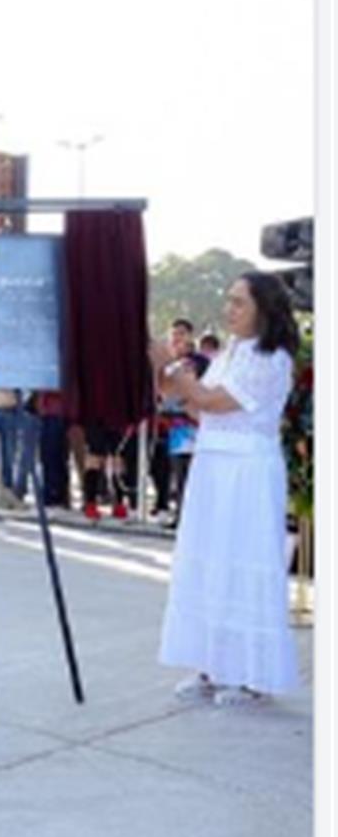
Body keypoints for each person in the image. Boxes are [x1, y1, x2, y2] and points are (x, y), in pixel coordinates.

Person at [155, 272, 303, 706]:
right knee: (210, 560)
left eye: (239, 302)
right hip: (214, 464)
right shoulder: (231, 352)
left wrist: (176, 374)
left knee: (244, 560)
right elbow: (201, 410)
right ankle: (211, 664)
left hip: (249, 473)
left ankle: (250, 674)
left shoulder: (271, 358)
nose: (230, 310)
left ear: (264, 309)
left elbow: (213, 400)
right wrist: (165, 374)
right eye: (230, 301)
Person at [152, 320, 208, 519]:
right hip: (174, 426)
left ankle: (188, 516)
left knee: (188, 473)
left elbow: (186, 386)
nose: (177, 338)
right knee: (175, 471)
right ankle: (179, 513)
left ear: (191, 337)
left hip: (193, 424)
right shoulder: (168, 363)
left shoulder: (197, 361)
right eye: (174, 334)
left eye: (182, 334)